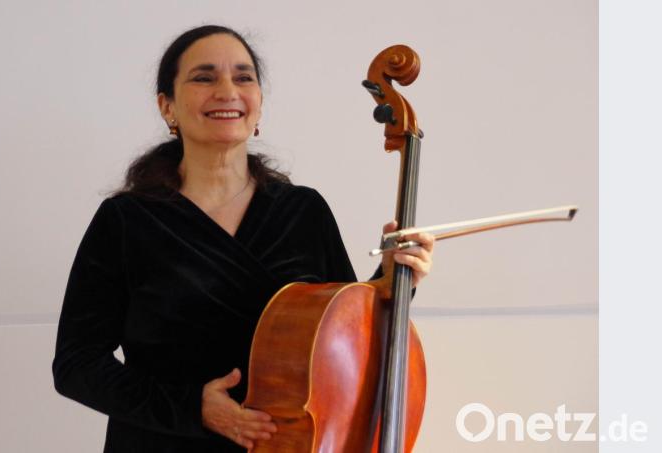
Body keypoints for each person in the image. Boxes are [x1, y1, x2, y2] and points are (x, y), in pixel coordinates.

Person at [51, 25, 435, 453]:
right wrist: (192, 408)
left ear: (259, 104)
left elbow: (346, 344)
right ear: (168, 107)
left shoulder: (302, 211)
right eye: (204, 77)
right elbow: (76, 365)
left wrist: (393, 278)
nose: (227, 90)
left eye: (243, 77)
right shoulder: (126, 221)